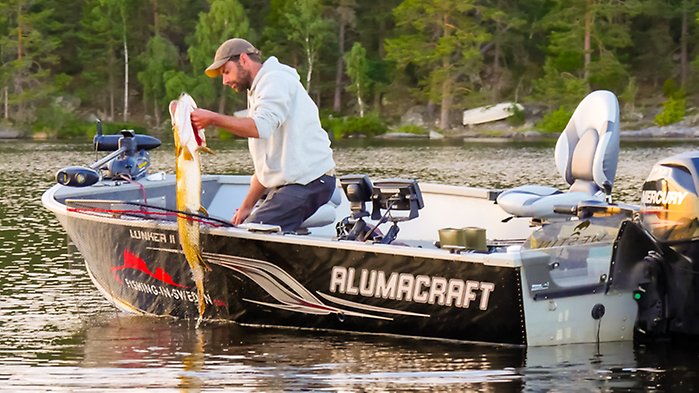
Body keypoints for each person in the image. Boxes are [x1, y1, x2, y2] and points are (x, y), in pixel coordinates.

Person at [191, 38, 336, 232]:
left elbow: (261, 127)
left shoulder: (275, 80)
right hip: (293, 183)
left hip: (309, 182)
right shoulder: (260, 90)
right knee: (247, 226)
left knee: (251, 235)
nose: (224, 81)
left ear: (243, 60)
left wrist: (212, 118)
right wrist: (246, 208)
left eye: (226, 71)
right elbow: (266, 167)